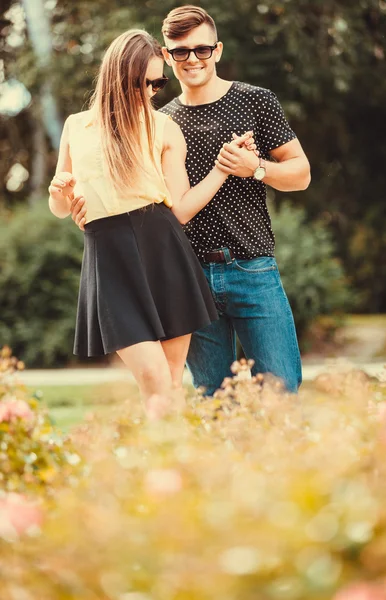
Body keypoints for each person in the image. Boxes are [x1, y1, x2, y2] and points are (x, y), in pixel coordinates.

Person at [71, 6, 311, 396]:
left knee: (280, 392)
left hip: (253, 269)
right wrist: (83, 212)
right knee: (211, 398)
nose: (192, 59)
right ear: (166, 56)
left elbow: (301, 175)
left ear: (217, 50)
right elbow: (131, 201)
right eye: (180, 51)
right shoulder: (157, 121)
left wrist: (257, 167)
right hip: (186, 275)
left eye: (202, 49)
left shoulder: (255, 101)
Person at [48, 29, 256, 403]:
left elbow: (178, 210)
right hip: (108, 257)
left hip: (163, 249)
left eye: (157, 83)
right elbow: (62, 208)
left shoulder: (164, 127)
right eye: (141, 82)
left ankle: (165, 460)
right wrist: (59, 195)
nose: (149, 92)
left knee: (172, 380)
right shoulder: (77, 126)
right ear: (117, 75)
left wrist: (221, 170)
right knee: (153, 375)